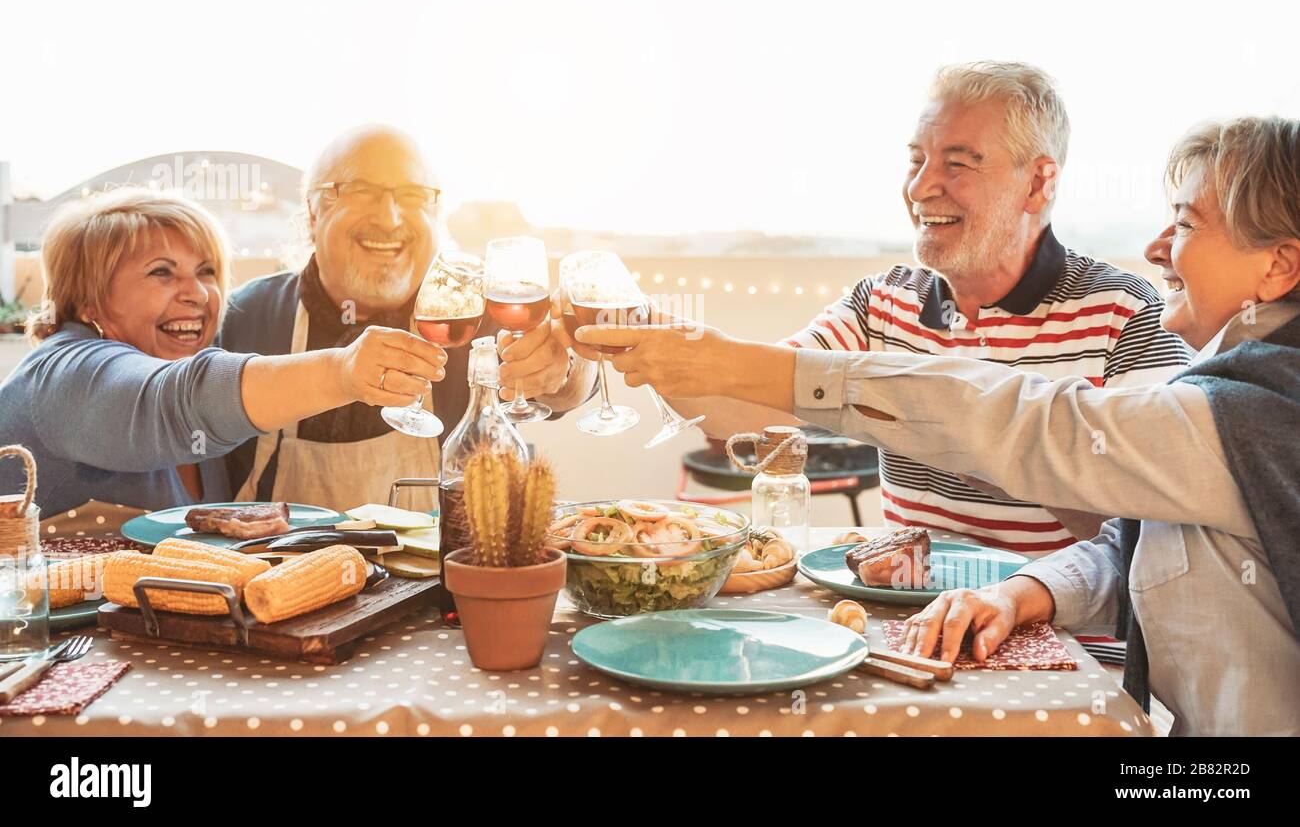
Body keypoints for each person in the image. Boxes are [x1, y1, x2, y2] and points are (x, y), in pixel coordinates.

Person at [577, 116, 1300, 736]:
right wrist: (1022, 592)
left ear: (1277, 268)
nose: (1154, 245)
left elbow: (1041, 431)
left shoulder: (1253, 412)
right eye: (916, 159)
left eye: (1186, 222)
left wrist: (983, 437)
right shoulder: (1240, 390)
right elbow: (1142, 538)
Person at [604, 62, 1192, 556]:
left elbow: (1147, 530)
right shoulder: (883, 300)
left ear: (1038, 184)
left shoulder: (1126, 311)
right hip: (908, 620)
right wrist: (638, 340)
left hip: (1063, 643)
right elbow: (756, 415)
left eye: (957, 163)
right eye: (917, 160)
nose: (919, 188)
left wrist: (967, 432)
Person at [0, 189, 445, 517]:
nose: (197, 293)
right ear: (88, 301)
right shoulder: (64, 375)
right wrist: (344, 370)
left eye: (207, 271)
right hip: (40, 642)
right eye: (162, 273)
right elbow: (180, 399)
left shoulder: (194, 366)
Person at [220, 125, 596, 511]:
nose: (389, 218)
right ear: (313, 212)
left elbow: (567, 393)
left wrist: (563, 368)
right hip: (281, 565)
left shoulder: (473, 307)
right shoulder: (247, 314)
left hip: (443, 567)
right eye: (361, 190)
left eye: (413, 195)